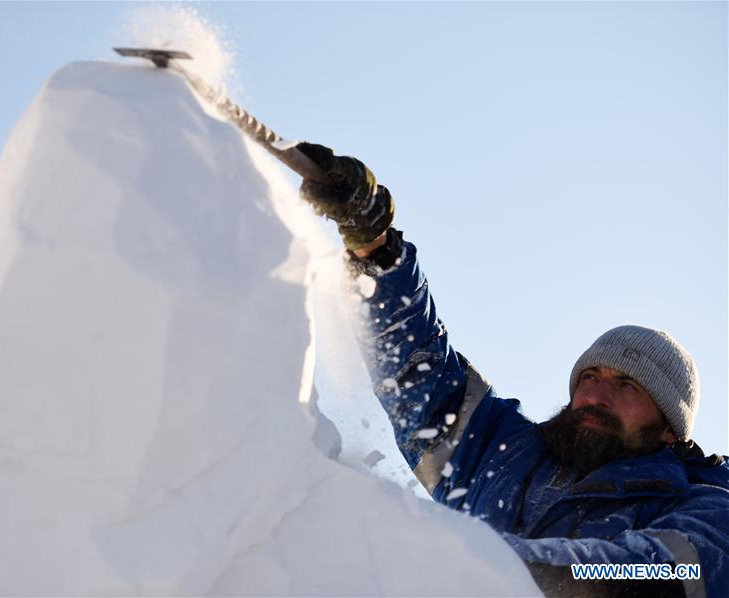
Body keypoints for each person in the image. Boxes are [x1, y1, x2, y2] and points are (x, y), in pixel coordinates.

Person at [296, 142, 729, 597]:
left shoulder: (706, 504)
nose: (597, 396)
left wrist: (490, 567)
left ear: (668, 428)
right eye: (590, 378)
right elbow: (418, 376)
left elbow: (656, 573)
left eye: (627, 386)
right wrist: (375, 247)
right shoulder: (505, 454)